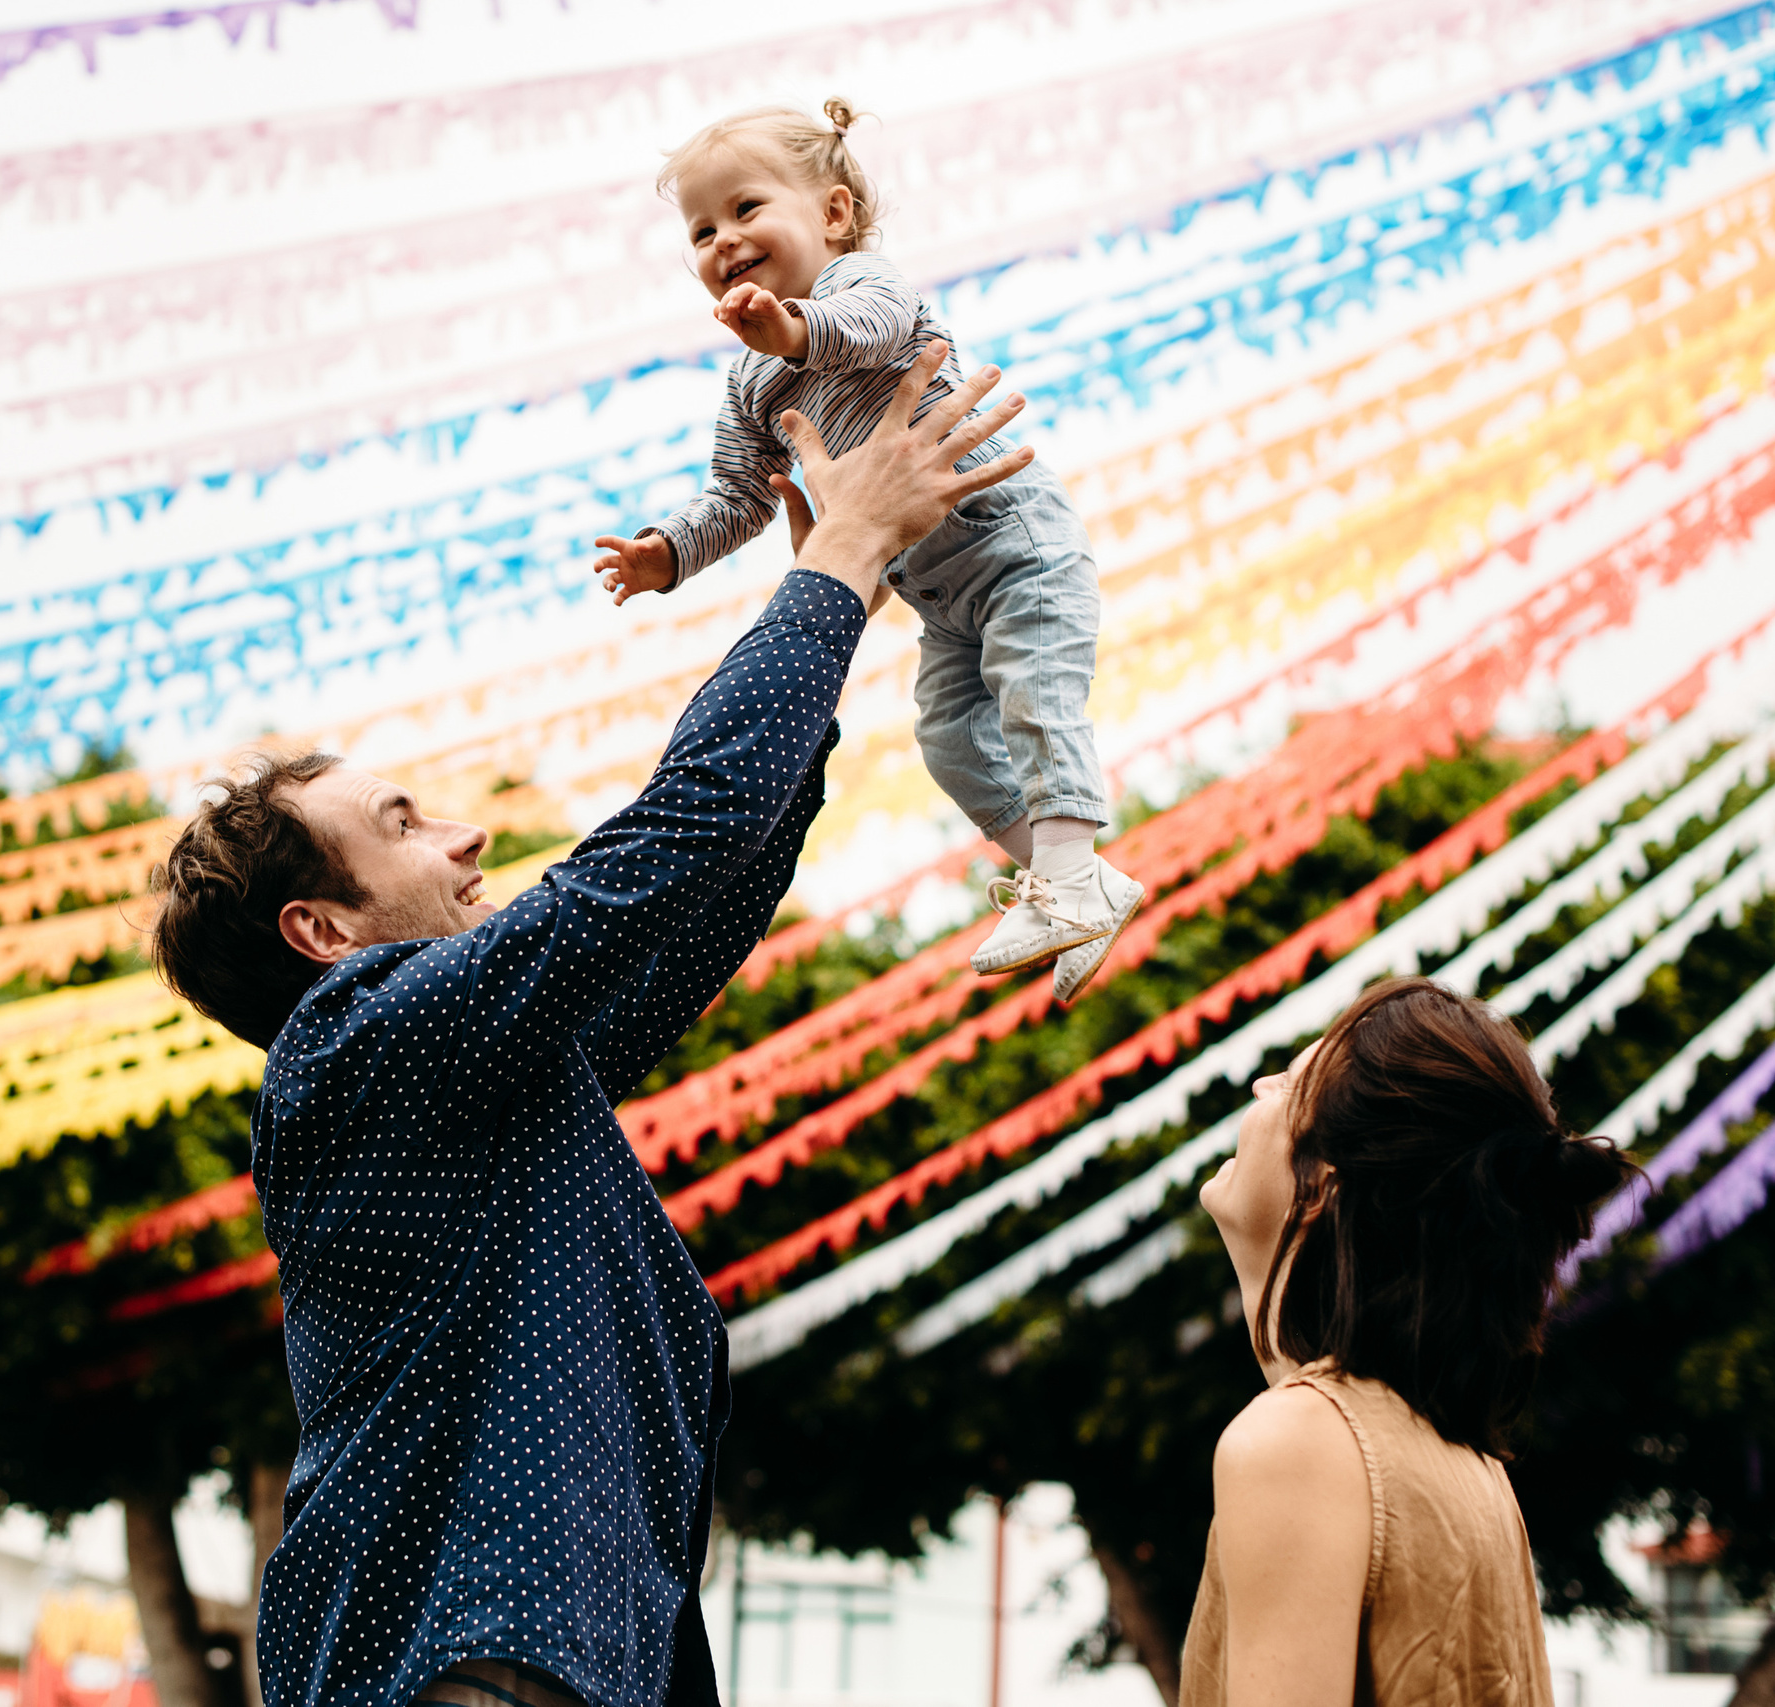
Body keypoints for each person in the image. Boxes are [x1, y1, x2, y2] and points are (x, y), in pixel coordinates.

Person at [146, 342, 1035, 1707]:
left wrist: (838, 608)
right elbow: (659, 856)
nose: (468, 831)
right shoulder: (357, 1046)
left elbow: (697, 898)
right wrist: (836, 559)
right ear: (321, 932)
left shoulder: (480, 1073)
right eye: (402, 823)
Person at [591, 97, 1142, 1002]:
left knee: (1036, 695)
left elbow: (869, 335)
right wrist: (668, 554)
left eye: (745, 209)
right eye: (700, 230)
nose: (722, 239)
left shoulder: (867, 286)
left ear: (835, 215)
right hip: (935, 596)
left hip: (1014, 545)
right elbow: (739, 496)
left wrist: (794, 331)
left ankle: (1073, 872)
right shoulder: (750, 378)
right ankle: (1079, 884)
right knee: (949, 739)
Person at [1186, 977, 1637, 1707]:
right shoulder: (1458, 1460)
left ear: (1322, 1183)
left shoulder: (1299, 1444)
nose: (1260, 1083)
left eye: (1292, 1080)